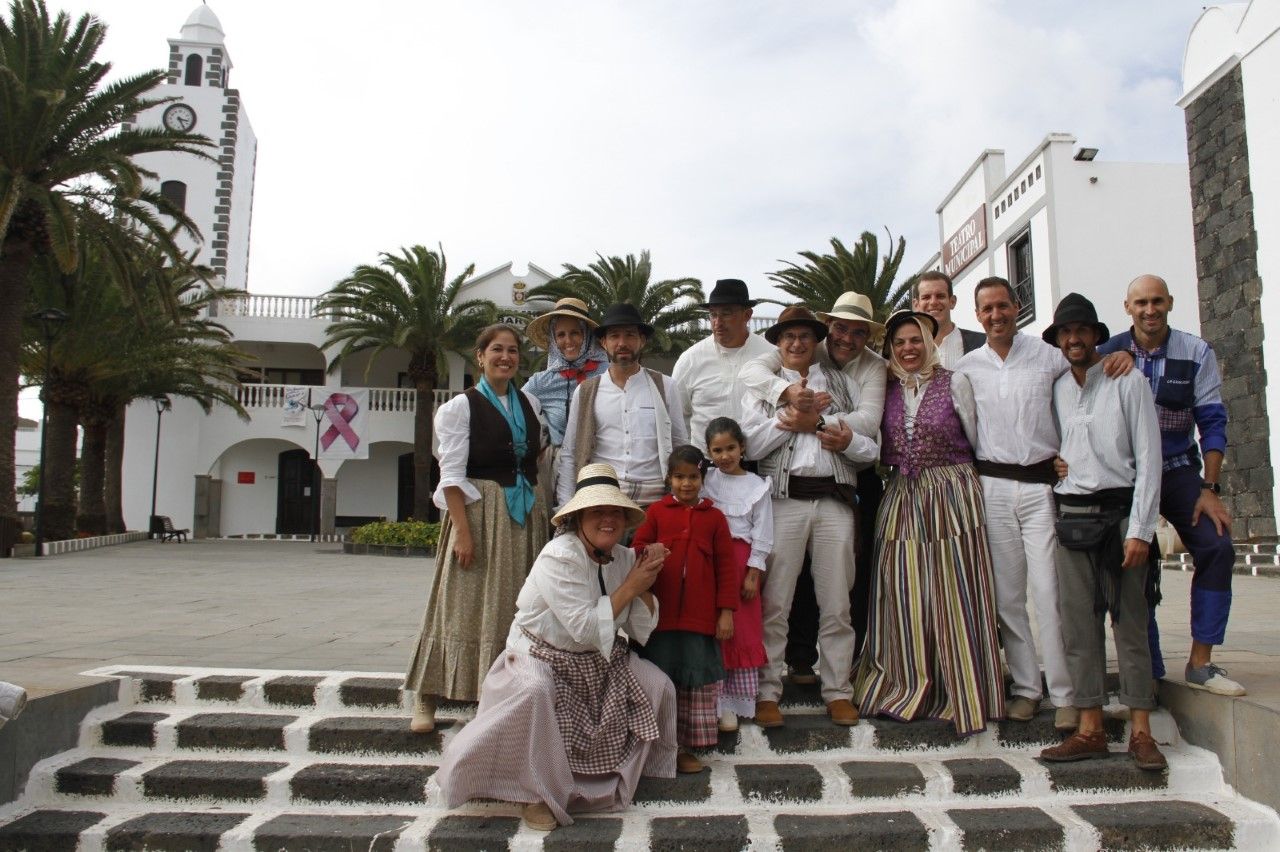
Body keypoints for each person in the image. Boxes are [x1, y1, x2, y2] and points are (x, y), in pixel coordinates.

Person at [432, 464, 677, 830]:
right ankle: (535, 795)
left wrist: (643, 581)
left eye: (614, 513)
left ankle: (635, 773)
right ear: (578, 517)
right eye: (598, 512)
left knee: (658, 685)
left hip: (597, 658)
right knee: (536, 691)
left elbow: (642, 629)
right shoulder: (558, 556)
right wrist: (632, 585)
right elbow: (582, 628)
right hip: (540, 655)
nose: (608, 520)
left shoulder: (624, 558)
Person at [954, 277, 1131, 730]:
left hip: (1042, 488)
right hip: (992, 485)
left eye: (1002, 306)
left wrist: (1119, 355)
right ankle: (1027, 688)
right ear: (977, 316)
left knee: (1050, 593)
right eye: (986, 309)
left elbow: (1085, 378)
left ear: (1017, 307)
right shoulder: (968, 366)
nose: (996, 316)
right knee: (1008, 596)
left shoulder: (1048, 356)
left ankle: (1065, 692)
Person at [853, 310, 1004, 736]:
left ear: (929, 342)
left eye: (915, 340)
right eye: (899, 343)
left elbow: (976, 439)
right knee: (902, 591)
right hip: (902, 493)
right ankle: (904, 684)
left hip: (952, 491)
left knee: (955, 592)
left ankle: (962, 690)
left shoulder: (954, 381)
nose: (908, 349)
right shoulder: (885, 388)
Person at [1097, 274, 1244, 696]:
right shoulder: (1108, 353)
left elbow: (1212, 421)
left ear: (1170, 303)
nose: (1149, 310)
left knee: (1217, 546)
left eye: (1157, 301)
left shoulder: (1196, 352)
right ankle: (1150, 669)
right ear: (1127, 307)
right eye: (1140, 302)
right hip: (1125, 476)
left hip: (1177, 468)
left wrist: (1209, 489)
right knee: (1132, 565)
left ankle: (1201, 662)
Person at [1039, 293, 1166, 772]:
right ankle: (1090, 728)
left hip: (1119, 517)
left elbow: (1149, 460)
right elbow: (1050, 444)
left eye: (1081, 331)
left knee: (1131, 622)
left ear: (1096, 335)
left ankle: (1140, 731)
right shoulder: (1056, 388)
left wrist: (1142, 531)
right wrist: (1056, 469)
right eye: (1065, 333)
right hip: (1071, 517)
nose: (1073, 339)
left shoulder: (1127, 380)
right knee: (1078, 625)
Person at [403, 324, 549, 733]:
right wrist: (463, 532)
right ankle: (426, 695)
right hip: (480, 513)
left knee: (514, 607)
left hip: (524, 513)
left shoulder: (530, 404)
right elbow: (450, 474)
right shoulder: (459, 408)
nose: (506, 357)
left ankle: (502, 690)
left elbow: (535, 457)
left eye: (513, 351)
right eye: (497, 350)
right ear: (480, 356)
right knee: (460, 602)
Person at [739, 306, 880, 728]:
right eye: (788, 337)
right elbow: (751, 447)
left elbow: (871, 450)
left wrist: (825, 426)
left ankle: (837, 691)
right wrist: (790, 420)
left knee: (837, 601)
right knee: (775, 601)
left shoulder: (844, 385)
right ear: (778, 344)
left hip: (835, 501)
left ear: (814, 341)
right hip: (782, 502)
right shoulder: (762, 389)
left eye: (804, 336)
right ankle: (767, 692)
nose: (797, 344)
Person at [632, 445, 738, 773]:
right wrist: (650, 552)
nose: (686, 484)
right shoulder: (656, 513)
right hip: (660, 622)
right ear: (668, 478)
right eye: (679, 477)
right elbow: (635, 549)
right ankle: (655, 748)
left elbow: (726, 567)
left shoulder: (715, 518)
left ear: (702, 479)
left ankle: (684, 748)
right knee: (662, 682)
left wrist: (725, 612)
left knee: (692, 685)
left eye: (693, 477)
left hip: (699, 620)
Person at [557, 303, 688, 509]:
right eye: (614, 336)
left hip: (656, 499)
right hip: (602, 495)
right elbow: (570, 452)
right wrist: (566, 505)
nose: (622, 343)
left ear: (642, 341)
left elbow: (680, 444)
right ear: (603, 342)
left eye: (630, 335)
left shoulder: (665, 386)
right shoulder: (586, 391)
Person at [701, 417, 772, 733]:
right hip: (712, 561)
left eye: (730, 448)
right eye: (717, 450)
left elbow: (763, 533)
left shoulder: (757, 486)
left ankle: (738, 701)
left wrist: (754, 572)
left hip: (742, 561)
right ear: (709, 452)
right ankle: (716, 703)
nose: (724, 456)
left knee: (741, 628)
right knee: (714, 626)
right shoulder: (706, 480)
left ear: (742, 447)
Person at [672, 278, 776, 454]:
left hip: (761, 466)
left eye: (726, 314)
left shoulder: (772, 355)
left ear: (747, 315)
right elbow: (677, 419)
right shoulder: (690, 360)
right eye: (713, 314)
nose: (717, 322)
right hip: (706, 468)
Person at [523, 297, 610, 509]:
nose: (568, 340)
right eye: (560, 334)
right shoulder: (541, 382)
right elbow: (513, 409)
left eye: (575, 333)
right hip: (561, 470)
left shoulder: (608, 373)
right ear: (553, 339)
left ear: (587, 335)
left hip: (602, 462)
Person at [912, 270, 986, 369]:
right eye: (926, 297)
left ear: (952, 302)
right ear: (916, 305)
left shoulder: (982, 343)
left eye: (940, 296)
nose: (933, 302)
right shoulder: (907, 351)